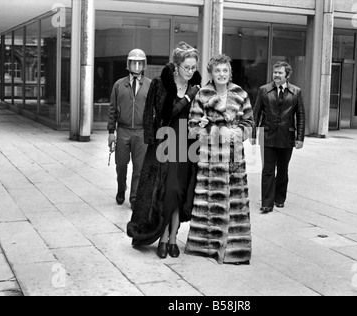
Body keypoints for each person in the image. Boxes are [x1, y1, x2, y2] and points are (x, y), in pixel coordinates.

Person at [127, 42, 202, 259]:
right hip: (165, 142)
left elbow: (199, 115)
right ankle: (161, 237)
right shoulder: (161, 84)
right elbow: (157, 113)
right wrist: (187, 98)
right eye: (187, 67)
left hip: (187, 145)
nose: (191, 72)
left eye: (193, 67)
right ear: (177, 66)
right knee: (166, 192)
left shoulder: (197, 86)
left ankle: (172, 238)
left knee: (179, 193)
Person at [185, 54, 254, 265]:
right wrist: (208, 128)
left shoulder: (241, 94)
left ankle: (236, 250)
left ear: (229, 72)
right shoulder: (202, 95)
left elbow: (250, 122)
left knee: (236, 203)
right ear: (211, 74)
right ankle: (206, 246)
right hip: (211, 159)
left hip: (234, 158)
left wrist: (239, 132)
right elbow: (191, 129)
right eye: (217, 71)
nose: (221, 74)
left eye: (225, 71)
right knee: (209, 204)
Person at [252, 61, 305, 214]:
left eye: (280, 73)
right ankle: (266, 203)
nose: (276, 75)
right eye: (275, 72)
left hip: (286, 136)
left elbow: (301, 115)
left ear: (287, 75)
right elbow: (256, 113)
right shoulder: (264, 90)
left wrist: (300, 137)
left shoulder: (296, 92)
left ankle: (279, 198)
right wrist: (254, 134)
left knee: (283, 170)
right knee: (267, 170)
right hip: (267, 135)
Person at [107, 49, 151, 206]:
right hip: (123, 130)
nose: (137, 65)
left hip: (141, 132)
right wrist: (111, 132)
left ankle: (134, 197)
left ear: (144, 65)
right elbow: (112, 109)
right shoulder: (119, 85)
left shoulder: (150, 85)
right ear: (128, 64)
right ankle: (121, 188)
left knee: (139, 168)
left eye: (140, 62)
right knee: (121, 164)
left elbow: (154, 111)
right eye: (134, 62)